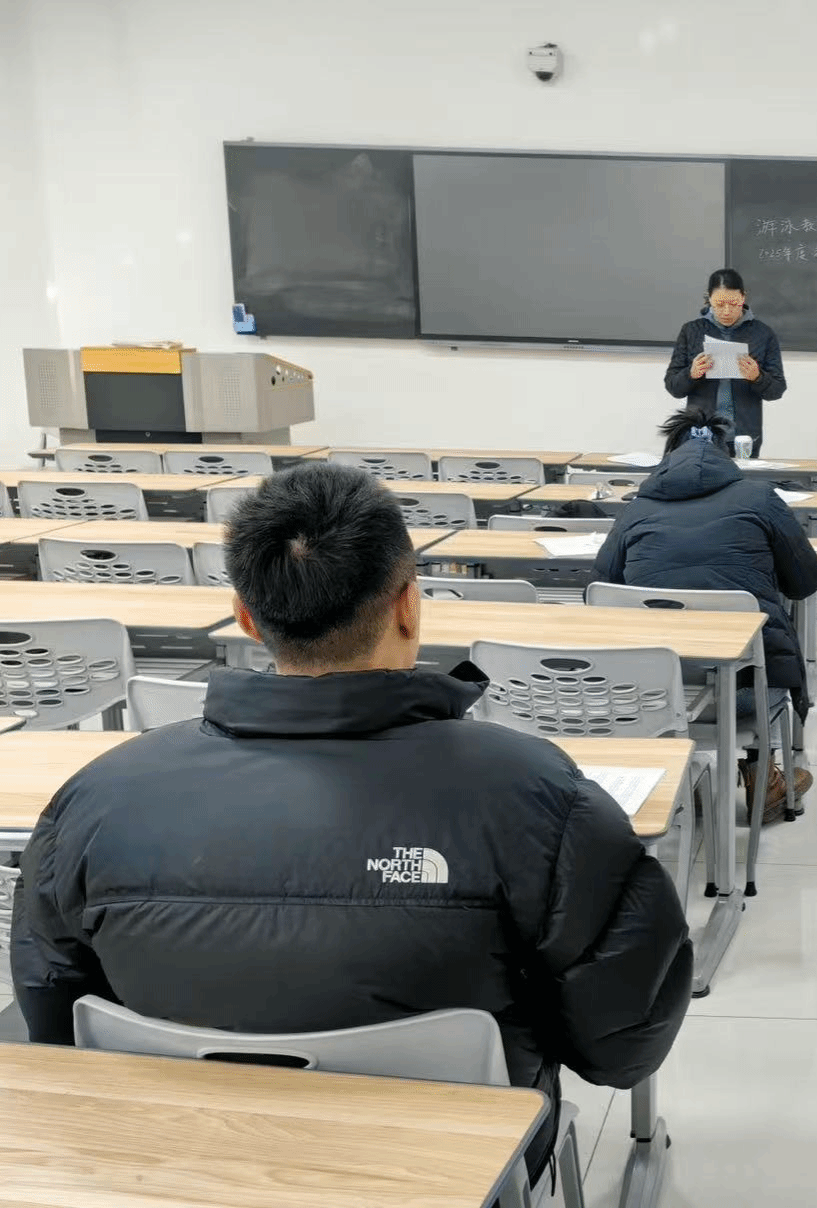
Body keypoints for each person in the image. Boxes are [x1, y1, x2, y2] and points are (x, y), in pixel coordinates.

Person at [9, 464, 693, 1189]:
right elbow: (624, 1043)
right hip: (453, 1174)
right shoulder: (537, 791)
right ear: (409, 607)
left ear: (246, 617)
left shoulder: (93, 800)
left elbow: (54, 1024)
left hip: (178, 1166)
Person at [596, 405, 817, 824]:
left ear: (668, 457)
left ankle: (679, 778)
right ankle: (763, 777)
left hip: (648, 689)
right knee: (757, 655)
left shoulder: (638, 506)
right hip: (745, 694)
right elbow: (806, 582)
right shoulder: (760, 498)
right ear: (727, 455)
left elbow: (600, 588)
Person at [664, 267, 786, 456]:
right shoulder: (691, 331)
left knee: (742, 476)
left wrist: (758, 377)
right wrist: (691, 374)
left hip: (744, 437)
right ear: (709, 299)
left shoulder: (763, 334)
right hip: (701, 434)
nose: (727, 311)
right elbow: (673, 387)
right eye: (719, 304)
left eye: (734, 303)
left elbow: (777, 390)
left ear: (743, 298)